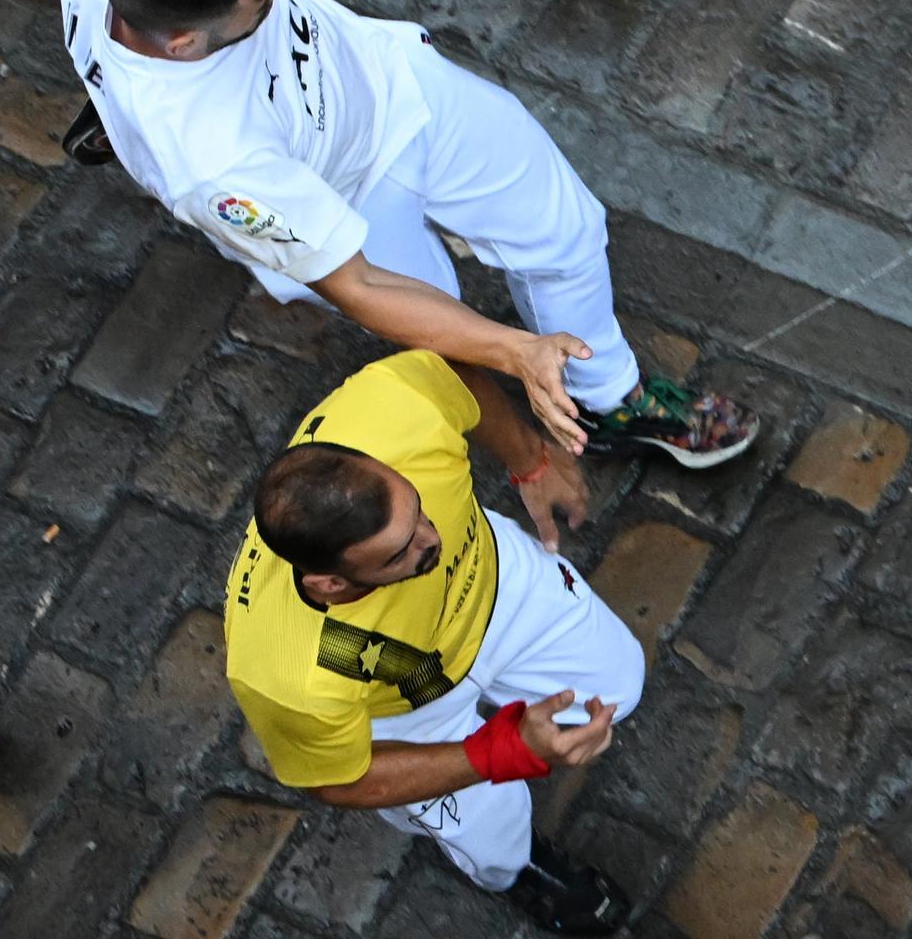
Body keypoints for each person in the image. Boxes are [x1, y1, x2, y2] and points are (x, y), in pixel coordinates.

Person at [0, 0, 757, 464]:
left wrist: (106, 78)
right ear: (184, 46)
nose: (275, 3)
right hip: (336, 198)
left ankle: (609, 398)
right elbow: (360, 288)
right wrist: (515, 349)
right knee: (443, 330)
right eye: (258, 11)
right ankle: (536, 433)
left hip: (395, 86)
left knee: (568, 229)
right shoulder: (214, 161)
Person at [226, 348, 643, 932]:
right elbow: (339, 779)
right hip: (405, 710)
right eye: (401, 553)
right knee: (494, 838)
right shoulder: (283, 673)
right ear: (330, 582)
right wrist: (501, 752)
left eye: (418, 512)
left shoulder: (394, 405)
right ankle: (525, 873)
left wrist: (531, 462)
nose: (433, 540)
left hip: (497, 587)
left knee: (622, 682)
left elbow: (459, 380)